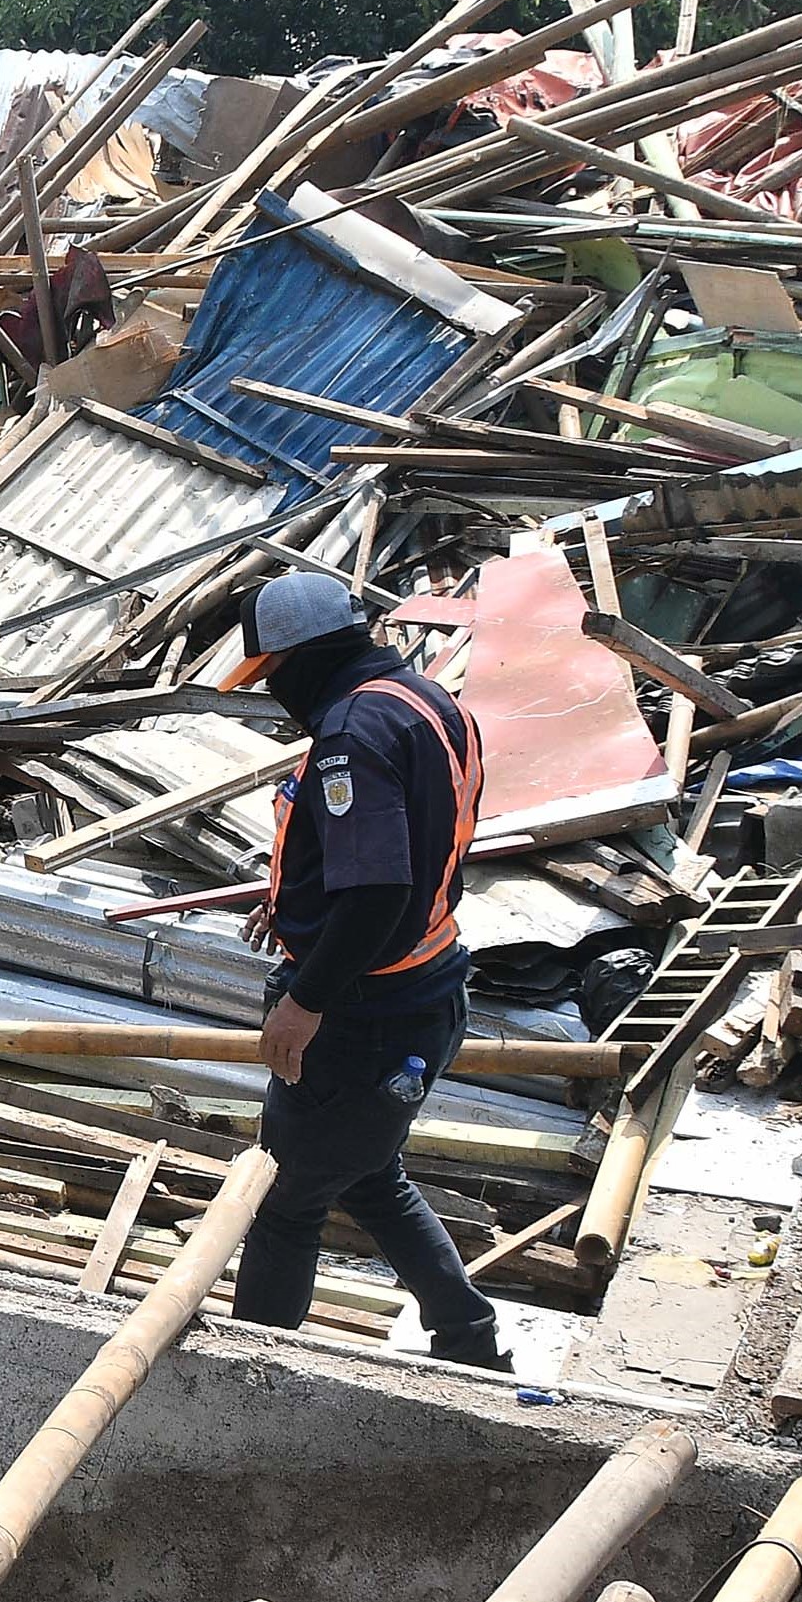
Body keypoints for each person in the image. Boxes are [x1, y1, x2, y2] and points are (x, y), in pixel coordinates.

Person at [232, 567, 510, 1372]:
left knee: (283, 1200)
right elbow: (409, 854)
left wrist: (307, 997)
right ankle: (469, 1339)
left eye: (273, 673)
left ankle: (244, 1375)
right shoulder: (428, 701)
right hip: (424, 989)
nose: (275, 692)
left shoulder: (353, 732)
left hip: (364, 1013)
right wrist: (295, 905)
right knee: (368, 1175)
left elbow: (380, 887)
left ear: (304, 656)